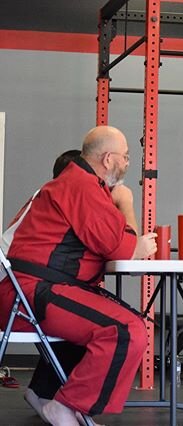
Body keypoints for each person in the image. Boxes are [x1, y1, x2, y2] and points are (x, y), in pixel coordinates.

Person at [0, 126, 157, 425]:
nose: (126, 163)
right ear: (108, 159)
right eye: (125, 157)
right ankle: (67, 406)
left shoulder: (79, 184)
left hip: (28, 290)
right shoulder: (82, 186)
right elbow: (124, 249)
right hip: (30, 295)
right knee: (126, 330)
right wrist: (126, 202)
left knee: (105, 318)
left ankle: (44, 394)